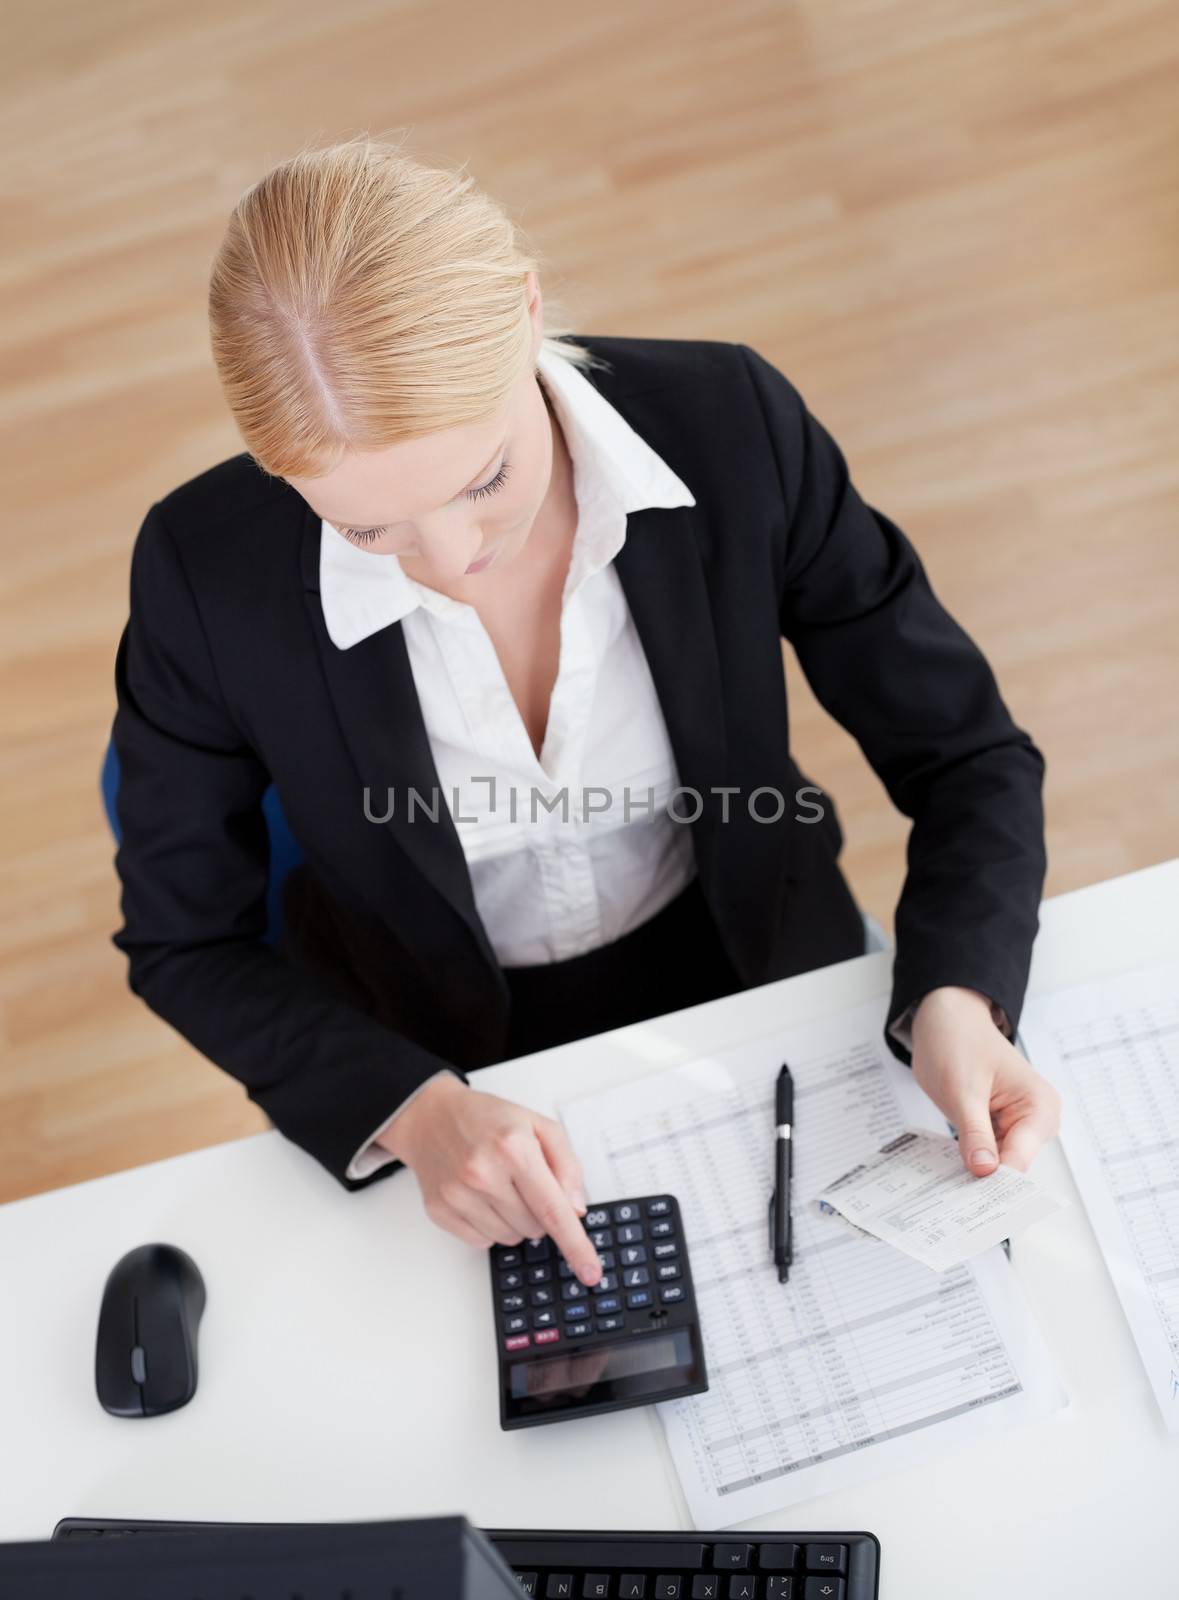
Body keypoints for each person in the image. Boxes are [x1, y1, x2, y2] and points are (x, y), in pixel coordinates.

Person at [109, 136, 1060, 1280]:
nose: (451, 562)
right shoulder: (202, 571)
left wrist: (959, 989)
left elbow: (968, 757)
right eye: (369, 530)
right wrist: (412, 1111)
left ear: (527, 306)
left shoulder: (733, 425)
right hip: (436, 1049)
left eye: (481, 482)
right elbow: (184, 940)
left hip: (761, 957)